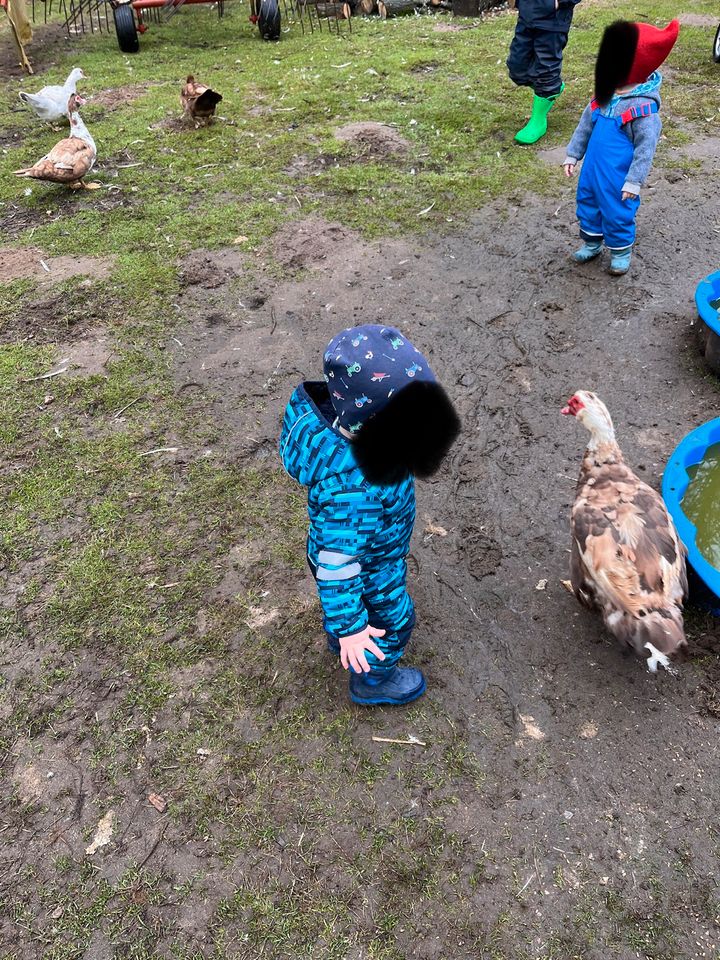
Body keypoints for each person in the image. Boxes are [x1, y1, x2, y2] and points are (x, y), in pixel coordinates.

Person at [280, 325, 460, 707]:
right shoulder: (354, 491)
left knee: (347, 604)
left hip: (344, 549)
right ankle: (373, 680)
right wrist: (352, 628)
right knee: (394, 622)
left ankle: (341, 632)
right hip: (369, 566)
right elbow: (339, 565)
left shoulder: (352, 431)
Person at [563, 19, 680, 276]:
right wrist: (573, 154)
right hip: (592, 171)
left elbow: (645, 149)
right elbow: (585, 126)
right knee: (587, 203)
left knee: (617, 211)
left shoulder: (643, 111)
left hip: (618, 176)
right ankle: (592, 243)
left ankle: (620, 251)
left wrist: (634, 181)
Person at [507, 0, 582, 145]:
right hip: (527, 17)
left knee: (546, 68)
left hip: (553, 22)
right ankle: (551, 87)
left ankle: (538, 119)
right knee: (517, 66)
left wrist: (558, 3)